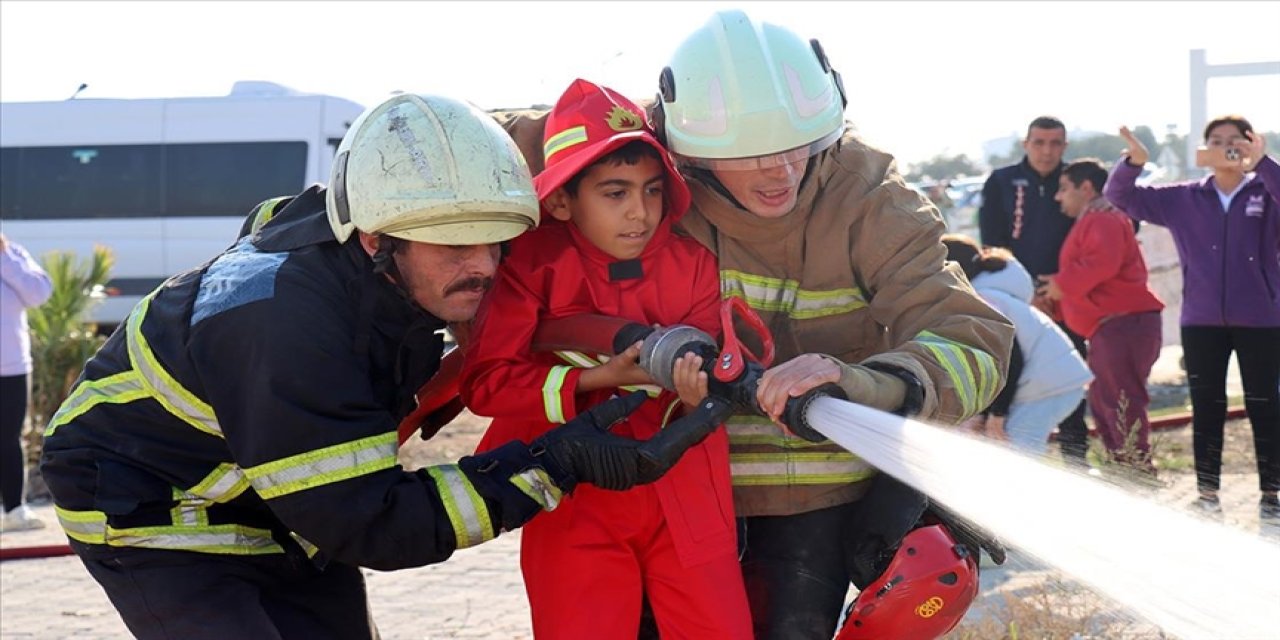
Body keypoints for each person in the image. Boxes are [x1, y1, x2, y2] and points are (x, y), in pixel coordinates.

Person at [36, 93, 726, 640]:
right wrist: (554, 465)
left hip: (283, 500)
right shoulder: (286, 325)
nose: (482, 267)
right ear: (375, 239)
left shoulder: (368, 251)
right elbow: (377, 525)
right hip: (154, 504)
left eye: (495, 243)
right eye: (454, 248)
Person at [654, 11, 1014, 638]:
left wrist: (866, 384)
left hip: (817, 510)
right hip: (676, 495)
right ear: (692, 154)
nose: (781, 169)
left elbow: (973, 339)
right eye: (752, 153)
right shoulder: (644, 190)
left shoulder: (871, 200)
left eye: (799, 143)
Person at [461, 79, 751, 639]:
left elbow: (712, 361)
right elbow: (487, 384)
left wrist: (701, 393)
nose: (639, 213)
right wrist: (598, 377)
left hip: (687, 490)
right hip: (573, 494)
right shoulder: (531, 265)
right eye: (615, 193)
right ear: (563, 199)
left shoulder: (690, 261)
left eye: (651, 191)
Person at [1105, 118, 1279, 520]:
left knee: (1266, 405)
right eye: (1216, 141)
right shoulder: (1184, 198)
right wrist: (1134, 162)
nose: (1226, 148)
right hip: (1201, 321)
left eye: (1235, 141)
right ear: (1204, 150)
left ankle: (1271, 493)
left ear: (1251, 144)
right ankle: (1207, 493)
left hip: (1262, 319)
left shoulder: (1266, 191)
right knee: (1207, 405)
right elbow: (1120, 195)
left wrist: (1264, 163)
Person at [979, 116, 1092, 466]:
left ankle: (1076, 460)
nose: (1047, 151)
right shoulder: (1001, 182)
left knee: (1066, 369)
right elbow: (993, 245)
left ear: (1065, 147)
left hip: (1067, 299)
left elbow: (1100, 229)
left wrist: (1058, 287)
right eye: (1039, 143)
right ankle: (1014, 456)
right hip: (1017, 302)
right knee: (1012, 374)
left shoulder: (1078, 180)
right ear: (1026, 144)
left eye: (1055, 143)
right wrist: (1025, 295)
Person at [1039, 159, 1164, 472]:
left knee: (1121, 403)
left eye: (1064, 189)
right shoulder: (1095, 218)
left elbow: (1101, 264)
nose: (1058, 197)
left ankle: (1135, 473)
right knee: (1108, 403)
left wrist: (1059, 285)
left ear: (1086, 187)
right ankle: (1126, 469)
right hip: (1113, 326)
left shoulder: (1101, 219)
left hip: (1121, 324)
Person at [943, 234, 1092, 455]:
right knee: (1003, 452)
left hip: (1047, 386)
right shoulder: (991, 295)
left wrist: (997, 414)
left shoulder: (983, 302)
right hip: (1048, 383)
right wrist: (984, 414)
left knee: (1014, 456)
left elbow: (1011, 359)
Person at [0, 233, 53, 532]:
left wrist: (5, 258)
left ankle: (14, 510)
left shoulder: (14, 255)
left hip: (11, 366)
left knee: (9, 439)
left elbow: (38, 293)